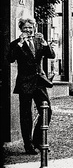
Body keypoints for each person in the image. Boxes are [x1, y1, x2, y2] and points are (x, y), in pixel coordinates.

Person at [9, 16, 55, 155]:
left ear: (34, 28)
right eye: (25, 28)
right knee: (26, 115)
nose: (28, 30)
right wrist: (21, 44)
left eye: (30, 27)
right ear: (21, 29)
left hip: (39, 82)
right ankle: (28, 145)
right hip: (24, 83)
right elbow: (10, 58)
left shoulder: (38, 41)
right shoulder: (16, 44)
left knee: (46, 111)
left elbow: (51, 55)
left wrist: (45, 43)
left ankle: (37, 140)